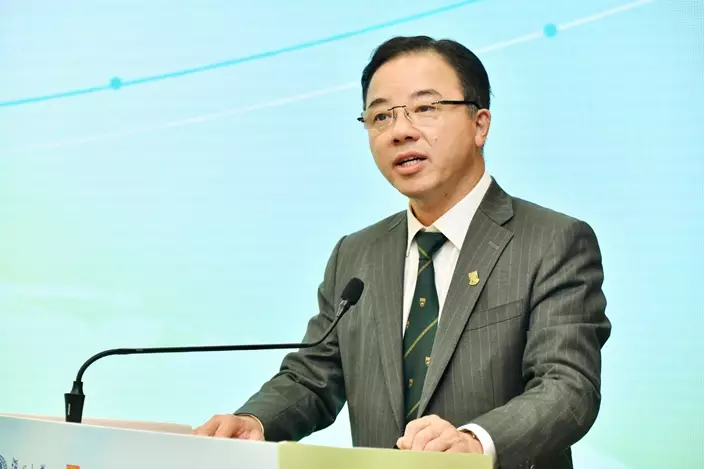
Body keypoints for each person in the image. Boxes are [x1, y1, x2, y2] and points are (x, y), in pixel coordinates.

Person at [194, 35, 611, 469]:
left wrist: (475, 442)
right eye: (380, 116)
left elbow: (567, 387)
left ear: (480, 124)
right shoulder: (356, 254)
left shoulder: (551, 241)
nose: (400, 131)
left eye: (425, 108)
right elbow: (314, 376)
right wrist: (254, 421)